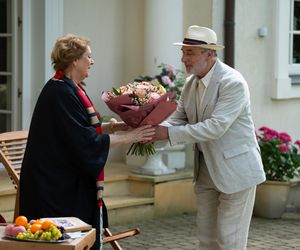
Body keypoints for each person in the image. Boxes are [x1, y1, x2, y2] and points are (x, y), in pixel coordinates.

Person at [19, 34, 155, 250]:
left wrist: (115, 127)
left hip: (61, 180)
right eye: (88, 57)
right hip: (53, 187)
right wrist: (130, 137)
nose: (92, 61)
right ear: (74, 60)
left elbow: (79, 130)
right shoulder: (60, 92)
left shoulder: (69, 87)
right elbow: (84, 141)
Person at [153, 25, 266, 249]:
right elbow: (178, 118)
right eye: (183, 52)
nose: (184, 58)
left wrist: (167, 133)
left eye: (190, 53)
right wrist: (148, 127)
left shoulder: (232, 82)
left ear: (210, 53)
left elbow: (215, 127)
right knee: (206, 240)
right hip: (205, 171)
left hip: (237, 171)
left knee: (229, 240)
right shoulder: (190, 84)